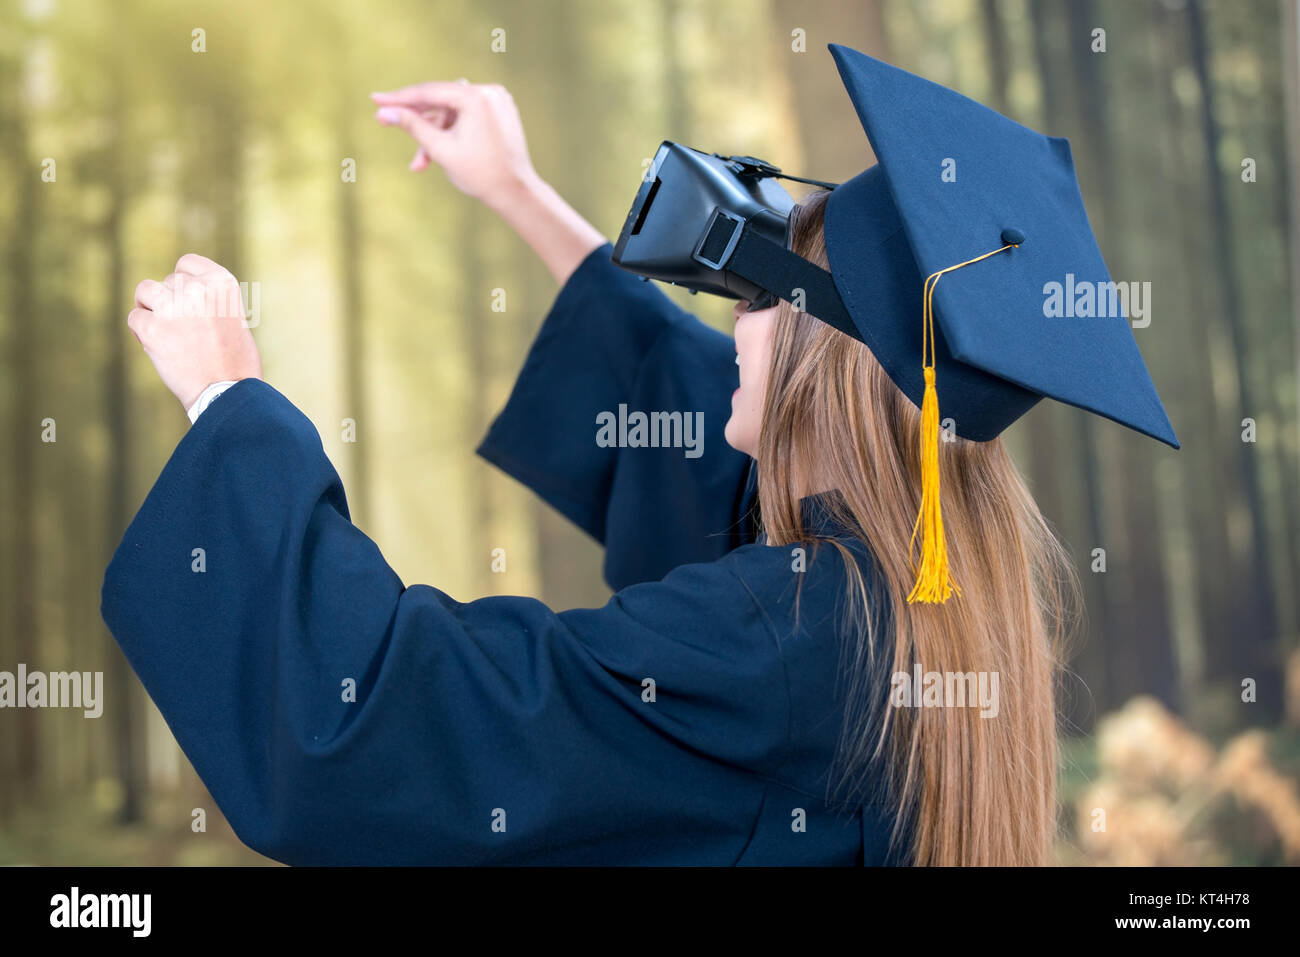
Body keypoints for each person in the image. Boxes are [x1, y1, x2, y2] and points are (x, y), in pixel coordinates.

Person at [104, 47, 1176, 866]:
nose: (728, 330)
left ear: (815, 360)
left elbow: (400, 723)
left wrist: (228, 399)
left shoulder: (785, 643)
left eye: (755, 301)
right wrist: (517, 191)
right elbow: (696, 411)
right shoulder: (921, 595)